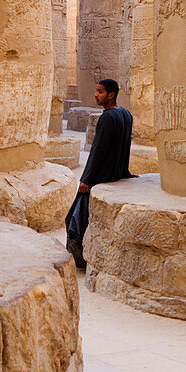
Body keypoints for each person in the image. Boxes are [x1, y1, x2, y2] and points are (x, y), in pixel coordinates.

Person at [65, 78, 134, 268]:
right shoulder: (126, 114)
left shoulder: (108, 117)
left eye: (100, 91)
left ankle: (80, 259)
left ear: (111, 95)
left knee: (74, 219)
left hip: (100, 176)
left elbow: (98, 150)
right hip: (115, 172)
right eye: (96, 91)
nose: (96, 94)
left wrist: (86, 180)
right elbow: (125, 147)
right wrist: (124, 171)